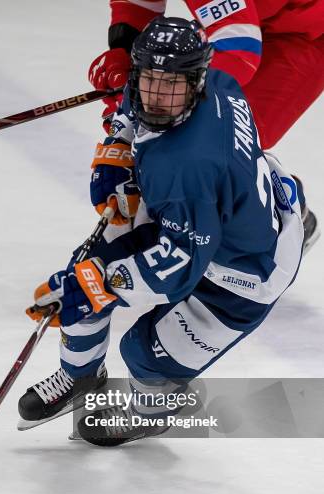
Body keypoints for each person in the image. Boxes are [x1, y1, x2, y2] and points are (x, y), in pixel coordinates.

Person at [18, 17, 304, 446]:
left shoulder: (188, 163)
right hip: (212, 212)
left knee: (144, 351)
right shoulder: (216, 81)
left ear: (195, 82)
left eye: (171, 84)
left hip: (246, 270)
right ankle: (81, 376)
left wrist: (96, 287)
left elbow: (180, 266)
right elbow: (134, 108)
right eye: (149, 78)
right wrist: (116, 150)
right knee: (85, 267)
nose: (157, 95)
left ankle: (153, 410)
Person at [88, 0, 323, 249]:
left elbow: (239, 49)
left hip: (304, 33)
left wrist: (140, 104)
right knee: (175, 122)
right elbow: (140, 5)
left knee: (224, 136)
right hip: (247, 19)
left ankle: (284, 210)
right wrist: (126, 55)